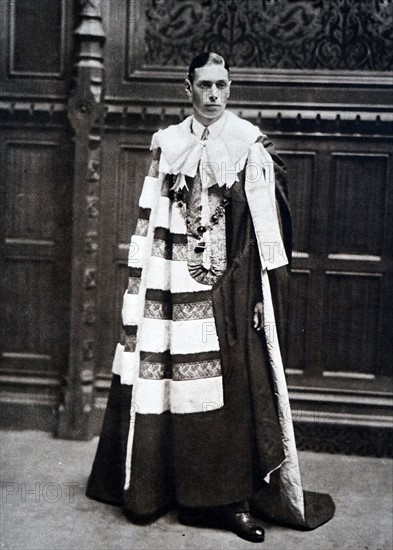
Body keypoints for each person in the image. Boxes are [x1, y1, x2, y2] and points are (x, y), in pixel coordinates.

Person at [86, 52, 335, 543]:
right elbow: (150, 222)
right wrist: (147, 290)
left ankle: (226, 501)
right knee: (167, 384)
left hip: (231, 288)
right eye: (205, 85)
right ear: (188, 89)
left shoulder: (248, 143)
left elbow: (268, 228)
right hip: (173, 285)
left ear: (230, 88)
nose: (215, 94)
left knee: (232, 392)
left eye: (222, 84)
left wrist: (262, 294)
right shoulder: (169, 143)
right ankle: (161, 490)